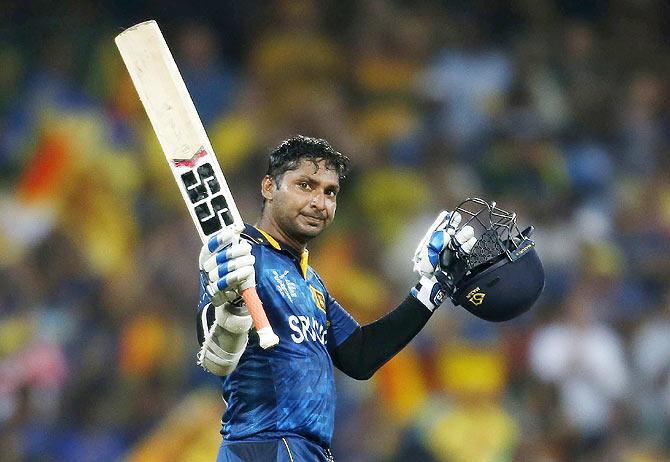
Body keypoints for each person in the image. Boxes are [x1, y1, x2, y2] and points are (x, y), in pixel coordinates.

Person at [196, 135, 477, 461]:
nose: (319, 201)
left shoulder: (311, 281)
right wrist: (231, 315)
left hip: (307, 450)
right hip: (264, 447)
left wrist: (430, 289)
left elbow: (359, 357)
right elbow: (216, 359)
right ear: (269, 187)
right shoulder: (241, 256)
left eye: (329, 192)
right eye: (305, 185)